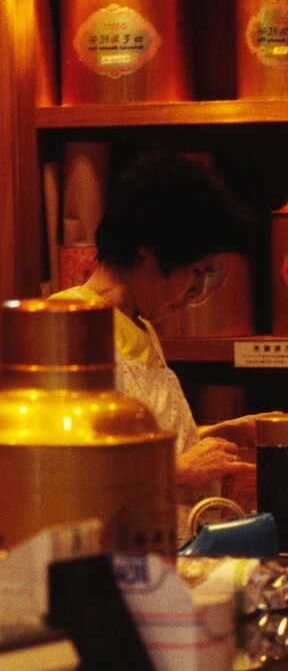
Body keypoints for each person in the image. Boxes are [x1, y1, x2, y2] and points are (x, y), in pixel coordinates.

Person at [51, 150, 285, 537]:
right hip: (112, 555)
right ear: (148, 245)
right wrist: (180, 469)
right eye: (197, 271)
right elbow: (64, 467)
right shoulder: (70, 323)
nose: (198, 292)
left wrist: (220, 433)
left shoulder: (140, 324)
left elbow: (132, 447)